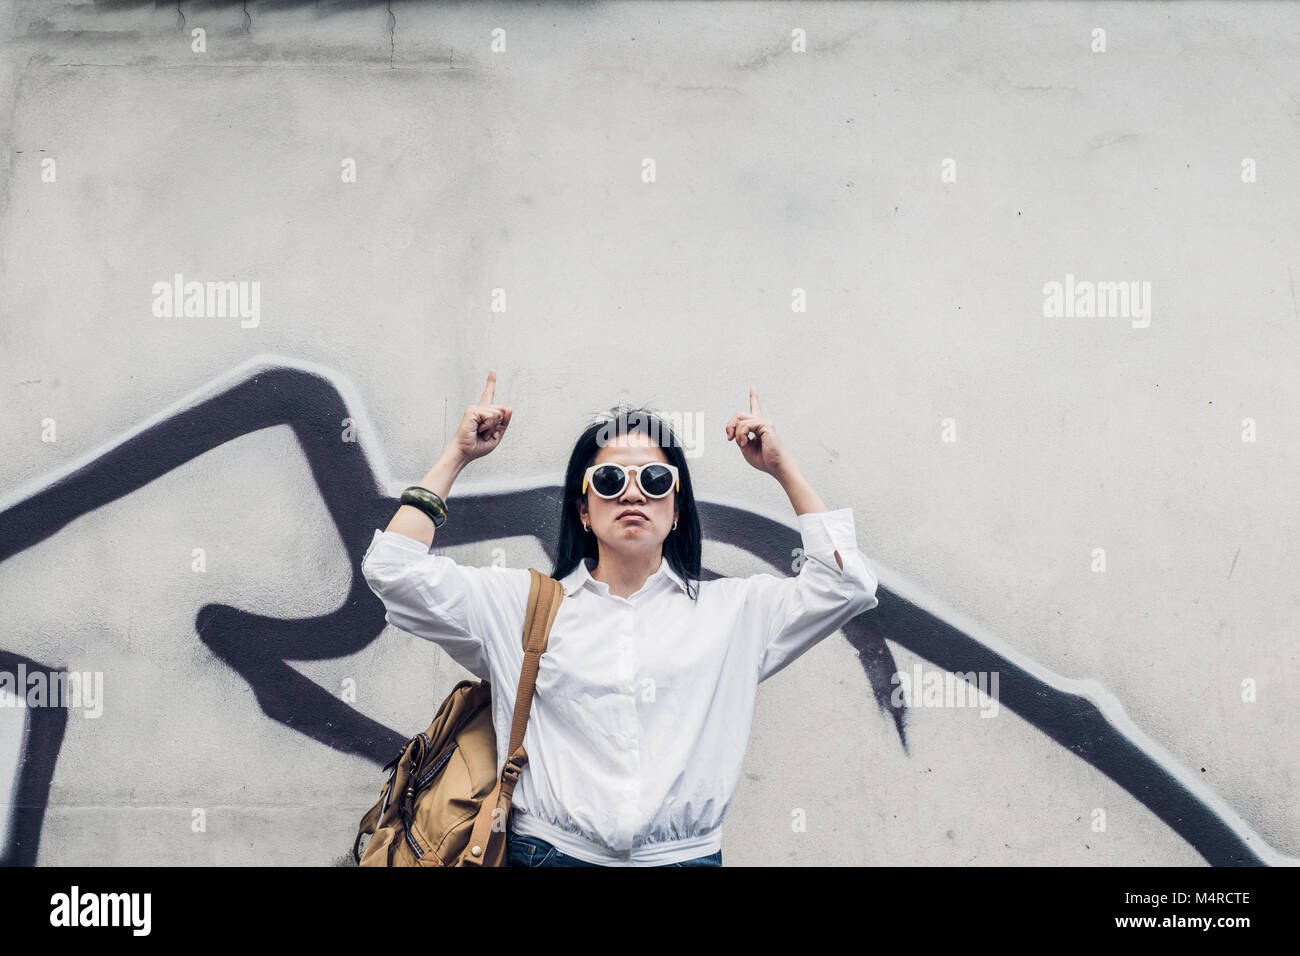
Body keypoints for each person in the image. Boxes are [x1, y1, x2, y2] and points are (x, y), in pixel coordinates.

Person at [360, 369, 880, 866]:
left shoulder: (735, 612)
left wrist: (781, 467)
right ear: (583, 509)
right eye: (609, 479)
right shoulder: (518, 605)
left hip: (685, 860)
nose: (633, 492)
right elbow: (392, 570)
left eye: (655, 479)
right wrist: (457, 455)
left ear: (677, 509)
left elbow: (847, 584)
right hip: (549, 856)